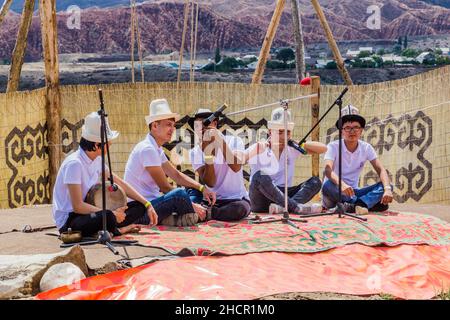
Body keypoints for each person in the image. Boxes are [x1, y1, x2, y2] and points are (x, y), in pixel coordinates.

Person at [53, 112, 158, 237]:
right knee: (107, 216)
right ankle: (118, 229)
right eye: (108, 142)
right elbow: (77, 206)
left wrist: (147, 203)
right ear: (97, 145)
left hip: (94, 213)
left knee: (139, 206)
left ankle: (111, 225)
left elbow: (118, 182)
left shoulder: (97, 160)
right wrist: (112, 214)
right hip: (72, 221)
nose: (110, 145)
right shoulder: (74, 164)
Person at [124, 99, 216, 227]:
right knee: (179, 194)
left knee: (194, 190)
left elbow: (176, 175)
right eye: (168, 125)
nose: (172, 129)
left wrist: (202, 188)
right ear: (155, 126)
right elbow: (165, 187)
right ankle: (194, 214)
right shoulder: (147, 149)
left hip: (154, 204)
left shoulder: (155, 148)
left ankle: (181, 217)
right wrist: (192, 205)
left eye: (173, 125)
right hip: (141, 211)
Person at [246, 107, 325, 214]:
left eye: (287, 132)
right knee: (260, 176)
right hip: (261, 198)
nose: (284, 136)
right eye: (280, 132)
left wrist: (297, 143)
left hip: (283, 195)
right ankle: (295, 207)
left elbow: (323, 148)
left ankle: (283, 208)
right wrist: (255, 151)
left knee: (315, 182)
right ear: (270, 132)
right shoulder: (259, 147)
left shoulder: (292, 148)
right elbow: (237, 161)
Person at [322, 105, 394, 214]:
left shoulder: (366, 148)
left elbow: (381, 170)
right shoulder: (333, 146)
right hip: (336, 190)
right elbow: (328, 171)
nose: (352, 131)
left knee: (387, 185)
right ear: (341, 131)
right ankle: (365, 204)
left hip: (354, 193)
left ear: (361, 131)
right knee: (327, 185)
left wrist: (387, 189)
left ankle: (357, 205)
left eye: (356, 127)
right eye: (347, 128)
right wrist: (342, 185)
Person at [187, 108, 251, 221]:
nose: (201, 128)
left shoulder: (235, 141)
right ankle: (210, 213)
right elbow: (210, 183)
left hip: (236, 199)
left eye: (204, 123)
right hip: (212, 201)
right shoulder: (194, 152)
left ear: (214, 124)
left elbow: (236, 167)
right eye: (197, 125)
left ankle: (207, 215)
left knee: (240, 209)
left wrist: (219, 140)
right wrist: (207, 154)